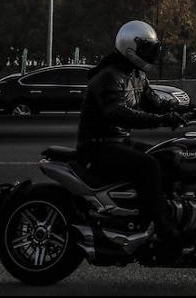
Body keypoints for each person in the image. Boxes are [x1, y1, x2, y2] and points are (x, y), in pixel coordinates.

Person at [76, 20, 185, 237]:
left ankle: (169, 210)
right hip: (99, 147)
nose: (151, 54)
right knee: (149, 165)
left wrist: (185, 109)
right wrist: (162, 120)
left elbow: (154, 102)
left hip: (120, 143)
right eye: (146, 49)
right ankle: (159, 225)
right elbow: (119, 113)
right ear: (130, 48)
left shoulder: (136, 75)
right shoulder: (109, 76)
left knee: (168, 156)